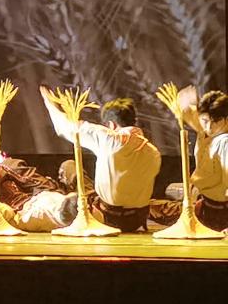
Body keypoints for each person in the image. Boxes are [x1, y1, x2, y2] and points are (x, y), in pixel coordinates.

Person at [42, 90, 162, 232]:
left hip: (109, 217)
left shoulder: (109, 139)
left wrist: (49, 101)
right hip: (137, 220)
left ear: (111, 125)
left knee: (68, 167)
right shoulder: (153, 151)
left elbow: (67, 127)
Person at [186, 90, 228, 230]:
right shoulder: (205, 131)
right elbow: (189, 112)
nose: (209, 127)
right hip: (205, 205)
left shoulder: (224, 142)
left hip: (221, 213)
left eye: (215, 122)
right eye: (204, 121)